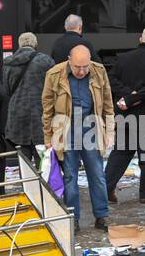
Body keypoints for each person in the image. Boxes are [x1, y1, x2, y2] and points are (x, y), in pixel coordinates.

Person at [42, 44, 114, 230]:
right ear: (69, 60)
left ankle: (102, 216)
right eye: (77, 67)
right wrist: (48, 138)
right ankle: (72, 218)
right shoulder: (54, 74)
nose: (81, 71)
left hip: (91, 128)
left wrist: (109, 132)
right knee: (70, 177)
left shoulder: (99, 71)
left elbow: (107, 103)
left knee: (97, 175)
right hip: (65, 131)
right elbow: (47, 108)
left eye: (85, 67)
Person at [105, 26, 145, 204]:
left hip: (125, 114)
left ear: (140, 39)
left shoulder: (123, 59)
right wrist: (136, 97)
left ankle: (106, 188)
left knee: (121, 153)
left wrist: (128, 96)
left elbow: (111, 79)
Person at [3, 31, 54, 166]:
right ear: (35, 44)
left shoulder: (8, 63)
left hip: (17, 114)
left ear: (19, 45)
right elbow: (54, 89)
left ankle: (27, 186)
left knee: (23, 159)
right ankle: (42, 186)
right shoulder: (46, 61)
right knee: (42, 156)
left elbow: (7, 90)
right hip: (40, 113)